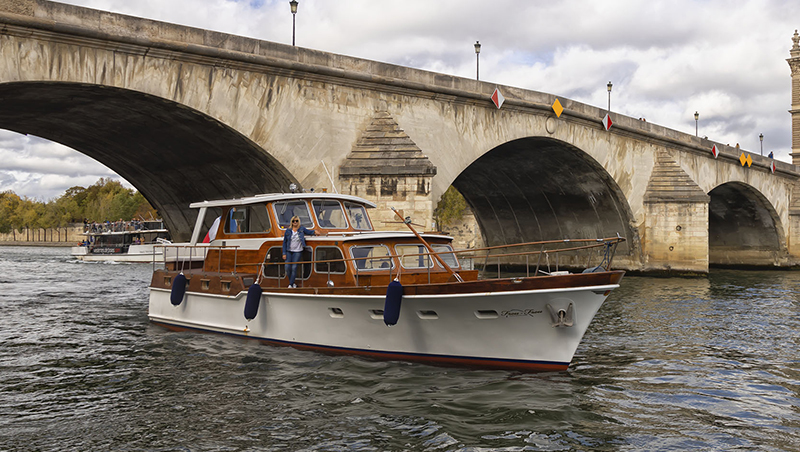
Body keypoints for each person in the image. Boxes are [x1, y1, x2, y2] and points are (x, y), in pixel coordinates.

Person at [282, 215, 315, 288]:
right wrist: (284, 253)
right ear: (291, 222)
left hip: (298, 251)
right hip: (288, 251)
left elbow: (309, 232)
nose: (295, 222)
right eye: (293, 221)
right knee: (287, 267)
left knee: (294, 267)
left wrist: (315, 232)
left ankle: (290, 284)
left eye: (296, 221)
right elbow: (284, 242)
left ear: (298, 222)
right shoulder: (288, 230)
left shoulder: (301, 229)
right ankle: (292, 283)